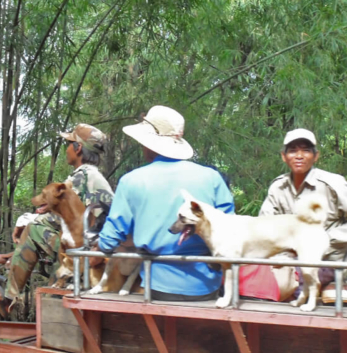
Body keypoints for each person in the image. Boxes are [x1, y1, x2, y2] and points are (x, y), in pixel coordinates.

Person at [98, 106, 235, 301]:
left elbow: (108, 241)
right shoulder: (212, 177)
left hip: (156, 286)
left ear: (150, 144)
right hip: (206, 287)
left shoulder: (131, 181)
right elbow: (229, 231)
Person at [0, 124, 114, 316]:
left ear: (77, 148)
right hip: (98, 250)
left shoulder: (81, 178)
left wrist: (25, 222)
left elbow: (56, 219)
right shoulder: (94, 177)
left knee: (35, 227)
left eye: (68, 144)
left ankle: (10, 298)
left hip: (87, 254)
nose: (66, 149)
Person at [240, 128, 347, 302]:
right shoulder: (278, 187)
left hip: (325, 259)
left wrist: (324, 239)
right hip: (286, 260)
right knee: (241, 276)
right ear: (284, 156)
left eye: (305, 150)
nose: (299, 155)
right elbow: (263, 226)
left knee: (287, 290)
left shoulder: (332, 184)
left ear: (316, 156)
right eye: (293, 150)